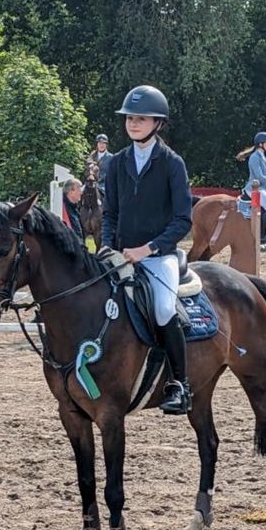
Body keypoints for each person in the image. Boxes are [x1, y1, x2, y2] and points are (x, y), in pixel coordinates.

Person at [101, 85, 193, 415]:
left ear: (157, 123)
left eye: (141, 119)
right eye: (130, 118)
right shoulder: (116, 163)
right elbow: (110, 213)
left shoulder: (172, 164)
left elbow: (184, 220)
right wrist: (106, 246)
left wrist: (149, 249)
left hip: (159, 257)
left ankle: (180, 384)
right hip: (119, 255)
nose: (133, 124)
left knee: (165, 310)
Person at [62, 177, 84, 242]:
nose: (81, 193)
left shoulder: (74, 209)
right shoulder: (62, 209)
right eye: (79, 189)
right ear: (71, 191)